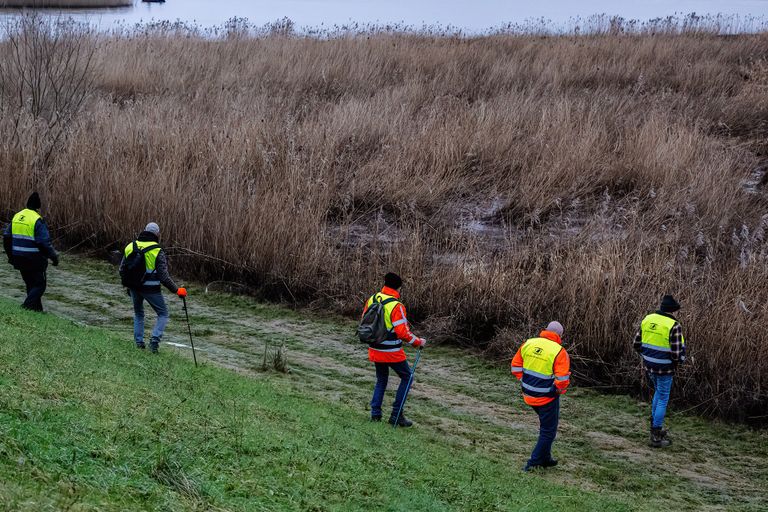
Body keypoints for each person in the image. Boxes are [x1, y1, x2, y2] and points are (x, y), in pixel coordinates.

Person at [362, 272, 426, 427]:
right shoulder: (397, 306)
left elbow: (364, 320)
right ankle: (396, 415)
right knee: (407, 377)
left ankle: (375, 414)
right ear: (399, 287)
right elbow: (402, 333)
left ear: (385, 283)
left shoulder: (372, 298)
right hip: (391, 351)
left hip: (374, 347)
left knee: (381, 379)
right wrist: (418, 342)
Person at [511, 321, 570, 471]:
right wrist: (556, 390)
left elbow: (515, 366)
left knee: (547, 428)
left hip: (528, 394)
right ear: (560, 335)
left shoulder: (529, 343)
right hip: (546, 398)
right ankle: (533, 462)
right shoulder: (559, 351)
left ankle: (545, 458)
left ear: (546, 331)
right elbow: (562, 379)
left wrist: (524, 380)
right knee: (548, 431)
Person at [119, 222, 186, 353]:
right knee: (163, 314)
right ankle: (154, 342)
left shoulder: (130, 246)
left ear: (144, 231)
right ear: (157, 234)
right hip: (151, 289)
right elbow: (164, 277)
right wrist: (177, 290)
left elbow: (122, 269)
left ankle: (139, 343)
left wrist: (129, 285)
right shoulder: (157, 250)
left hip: (134, 287)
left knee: (139, 314)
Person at [633, 294, 685, 448]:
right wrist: (681, 361)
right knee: (663, 397)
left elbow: (636, 344)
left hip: (649, 365)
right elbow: (677, 354)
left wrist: (647, 356)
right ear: (673, 311)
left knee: (658, 392)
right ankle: (656, 434)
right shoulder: (674, 325)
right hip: (665, 368)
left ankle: (654, 425)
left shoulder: (648, 319)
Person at [2, 192, 59, 312]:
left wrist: (10, 256)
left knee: (30, 283)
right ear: (38, 207)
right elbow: (43, 242)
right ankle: (26, 307)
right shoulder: (37, 219)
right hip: (34, 259)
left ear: (27, 203)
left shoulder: (17, 216)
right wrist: (53, 256)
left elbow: (6, 237)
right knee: (40, 285)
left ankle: (37, 310)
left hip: (18, 257)